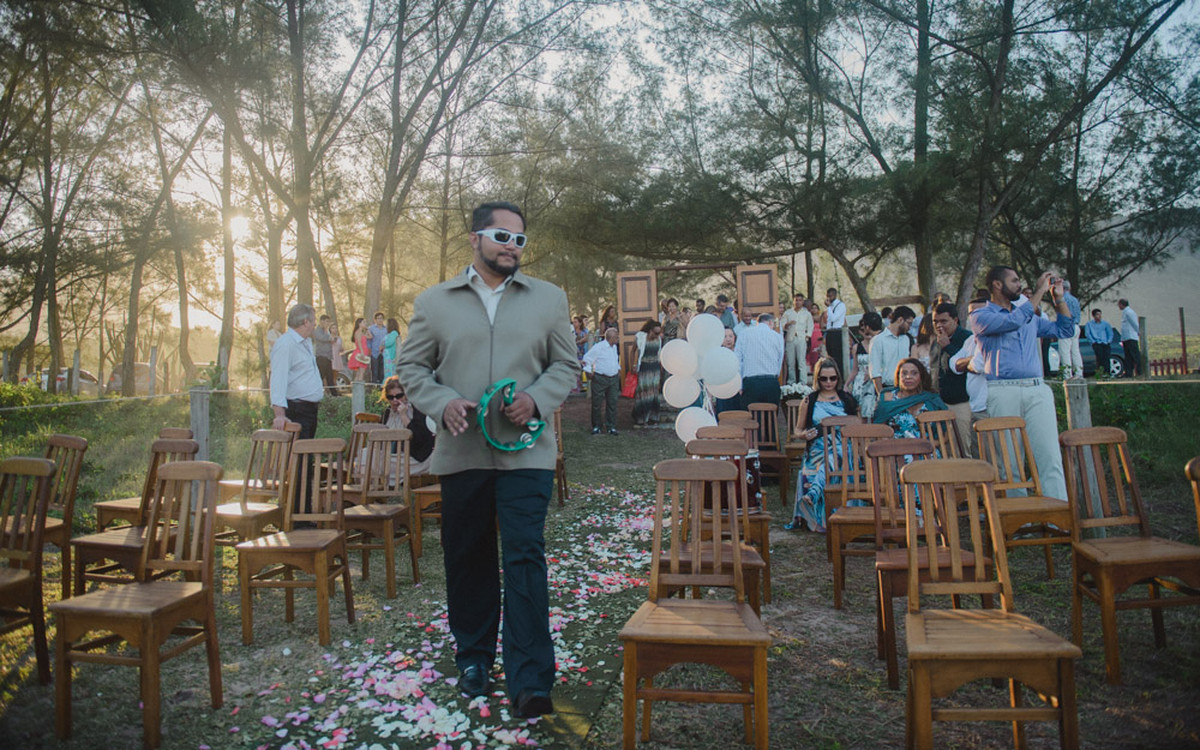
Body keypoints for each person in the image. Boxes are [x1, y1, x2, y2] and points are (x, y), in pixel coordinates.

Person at [397, 201, 577, 718]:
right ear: (475, 237)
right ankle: (473, 659)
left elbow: (566, 363)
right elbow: (412, 368)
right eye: (502, 236)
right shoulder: (435, 302)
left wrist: (538, 399)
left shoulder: (548, 299)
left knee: (524, 556)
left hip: (528, 457)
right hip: (462, 455)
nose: (511, 247)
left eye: (519, 240)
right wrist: (441, 402)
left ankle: (531, 680)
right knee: (468, 557)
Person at [970, 266, 1075, 500]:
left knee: (1049, 455)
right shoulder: (981, 316)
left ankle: (1058, 519)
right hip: (1002, 390)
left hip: (1037, 388)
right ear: (997, 284)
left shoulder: (1030, 317)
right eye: (1015, 281)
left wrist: (1059, 299)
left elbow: (1065, 330)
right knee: (1010, 460)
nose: (1019, 285)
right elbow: (1014, 321)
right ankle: (1020, 524)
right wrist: (1038, 291)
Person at [786, 357, 858, 532]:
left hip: (843, 445)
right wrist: (804, 435)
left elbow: (858, 425)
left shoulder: (847, 399)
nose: (828, 382)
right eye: (823, 378)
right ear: (817, 379)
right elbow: (797, 429)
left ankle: (814, 492)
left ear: (838, 378)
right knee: (830, 457)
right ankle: (816, 509)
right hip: (817, 447)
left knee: (835, 454)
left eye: (832, 378)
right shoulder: (809, 401)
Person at [269, 304, 323, 439]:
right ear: (306, 322)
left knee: (306, 456)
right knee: (298, 458)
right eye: (313, 321)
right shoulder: (286, 344)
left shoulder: (306, 342)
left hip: (309, 410)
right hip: (297, 410)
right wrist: (280, 415)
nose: (315, 324)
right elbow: (278, 379)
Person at [933, 302, 973, 453]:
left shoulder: (967, 339)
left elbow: (967, 364)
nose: (939, 325)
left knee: (963, 447)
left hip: (962, 402)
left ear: (955, 320)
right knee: (946, 450)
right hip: (941, 401)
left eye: (943, 321)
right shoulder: (937, 340)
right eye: (935, 321)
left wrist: (948, 347)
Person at [873, 358, 947, 438]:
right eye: (904, 373)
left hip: (927, 447)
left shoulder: (931, 399)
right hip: (895, 448)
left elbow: (946, 432)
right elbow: (879, 432)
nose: (908, 377)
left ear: (921, 377)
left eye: (914, 373)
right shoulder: (887, 398)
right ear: (898, 377)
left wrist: (930, 445)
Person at [378, 375, 435, 477]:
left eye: (399, 396)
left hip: (416, 457)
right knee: (367, 456)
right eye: (391, 397)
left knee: (377, 463)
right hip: (393, 455)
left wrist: (404, 416)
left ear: (406, 395)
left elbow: (419, 439)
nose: (395, 400)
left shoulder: (416, 410)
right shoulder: (387, 413)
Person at [736, 312, 785, 408]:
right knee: (770, 417)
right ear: (771, 323)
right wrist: (776, 376)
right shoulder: (778, 337)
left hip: (751, 382)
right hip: (771, 381)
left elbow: (738, 361)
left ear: (757, 322)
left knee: (751, 418)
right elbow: (780, 360)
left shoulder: (744, 334)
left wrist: (739, 385)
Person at [581, 328, 621, 435]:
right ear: (610, 338)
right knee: (597, 403)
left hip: (613, 378)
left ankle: (611, 426)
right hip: (600, 378)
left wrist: (618, 369)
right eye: (616, 337)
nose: (618, 338)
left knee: (612, 403)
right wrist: (588, 372)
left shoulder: (614, 347)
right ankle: (596, 426)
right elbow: (586, 359)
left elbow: (614, 360)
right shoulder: (599, 347)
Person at [869, 306, 915, 394]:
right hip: (887, 387)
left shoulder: (907, 339)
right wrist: (880, 394)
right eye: (909, 323)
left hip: (905, 387)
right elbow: (875, 371)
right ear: (900, 320)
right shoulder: (878, 340)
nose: (909, 327)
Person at [848, 312, 882, 420]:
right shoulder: (856, 347)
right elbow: (854, 369)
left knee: (874, 410)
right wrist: (846, 384)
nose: (866, 333)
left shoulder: (878, 343)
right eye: (862, 331)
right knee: (860, 411)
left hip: (875, 379)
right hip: (860, 381)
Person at [632, 319, 663, 426]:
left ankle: (652, 417)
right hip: (644, 367)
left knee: (653, 392)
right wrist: (634, 365)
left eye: (659, 333)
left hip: (655, 368)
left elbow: (659, 356)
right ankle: (641, 418)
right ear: (650, 331)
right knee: (644, 392)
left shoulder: (659, 340)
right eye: (655, 332)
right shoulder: (640, 337)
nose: (657, 335)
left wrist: (661, 372)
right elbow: (633, 351)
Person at [781, 293, 815, 385]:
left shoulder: (806, 313)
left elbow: (810, 326)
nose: (798, 302)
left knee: (801, 361)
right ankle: (791, 382)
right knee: (790, 362)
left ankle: (803, 382)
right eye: (796, 300)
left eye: (800, 300)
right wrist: (787, 324)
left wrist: (807, 336)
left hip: (801, 338)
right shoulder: (788, 313)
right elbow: (782, 325)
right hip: (790, 339)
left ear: (802, 301)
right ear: (793, 301)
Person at [1057, 280, 1083, 379]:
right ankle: (1079, 373)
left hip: (1066, 327)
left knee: (1065, 352)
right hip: (1076, 325)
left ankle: (1067, 375)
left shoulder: (1062, 299)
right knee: (1075, 351)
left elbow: (1062, 314)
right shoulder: (1075, 299)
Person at [714, 328, 741, 414]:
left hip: (738, 391)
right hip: (722, 391)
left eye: (730, 336)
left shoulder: (739, 353)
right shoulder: (717, 354)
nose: (728, 339)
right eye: (725, 336)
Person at [1084, 308, 1115, 377]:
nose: (1099, 316)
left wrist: (1108, 341)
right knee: (1099, 358)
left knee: (1106, 358)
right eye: (1097, 314)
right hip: (1096, 343)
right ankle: (1100, 373)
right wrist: (1093, 342)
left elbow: (1110, 333)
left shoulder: (1105, 324)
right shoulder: (1089, 324)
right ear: (1094, 316)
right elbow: (1088, 334)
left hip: (1105, 343)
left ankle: (1107, 373)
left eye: (1100, 314)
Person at [825, 287, 847, 373]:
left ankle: (840, 374)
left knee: (837, 356)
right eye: (827, 296)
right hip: (830, 332)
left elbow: (834, 318)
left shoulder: (840, 305)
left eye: (830, 296)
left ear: (834, 295)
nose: (828, 298)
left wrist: (829, 307)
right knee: (830, 355)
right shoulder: (831, 306)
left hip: (837, 332)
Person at [1118, 298, 1141, 377]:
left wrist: (1138, 331)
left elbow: (1134, 323)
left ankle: (1139, 371)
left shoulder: (1129, 312)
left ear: (1122, 304)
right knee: (1128, 356)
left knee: (1135, 355)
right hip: (1126, 337)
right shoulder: (1125, 313)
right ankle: (1128, 372)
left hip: (1131, 337)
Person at [312, 314, 336, 390]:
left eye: (329, 322)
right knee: (321, 376)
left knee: (330, 376)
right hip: (321, 357)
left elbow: (332, 339)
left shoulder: (326, 331)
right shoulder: (317, 330)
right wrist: (329, 337)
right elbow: (323, 338)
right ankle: (315, 390)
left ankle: (334, 394)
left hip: (328, 356)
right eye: (326, 321)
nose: (328, 323)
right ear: (321, 321)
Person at [347, 317, 371, 382]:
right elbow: (359, 343)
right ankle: (359, 388)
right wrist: (362, 353)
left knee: (360, 372)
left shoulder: (363, 332)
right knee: (361, 372)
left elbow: (370, 336)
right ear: (359, 324)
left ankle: (357, 387)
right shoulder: (358, 332)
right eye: (363, 322)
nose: (365, 323)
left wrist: (367, 330)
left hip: (364, 351)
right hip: (361, 352)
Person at [368, 312, 388, 384]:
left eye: (381, 318)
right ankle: (374, 389)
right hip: (374, 352)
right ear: (375, 320)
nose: (380, 320)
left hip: (384, 353)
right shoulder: (371, 328)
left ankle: (381, 388)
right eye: (378, 318)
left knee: (382, 372)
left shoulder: (386, 329)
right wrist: (369, 349)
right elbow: (369, 340)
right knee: (374, 372)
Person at [807, 302, 823, 370]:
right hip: (811, 337)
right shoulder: (808, 318)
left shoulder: (821, 318)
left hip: (818, 337)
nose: (814, 310)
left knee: (818, 354)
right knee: (811, 354)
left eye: (815, 308)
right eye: (812, 308)